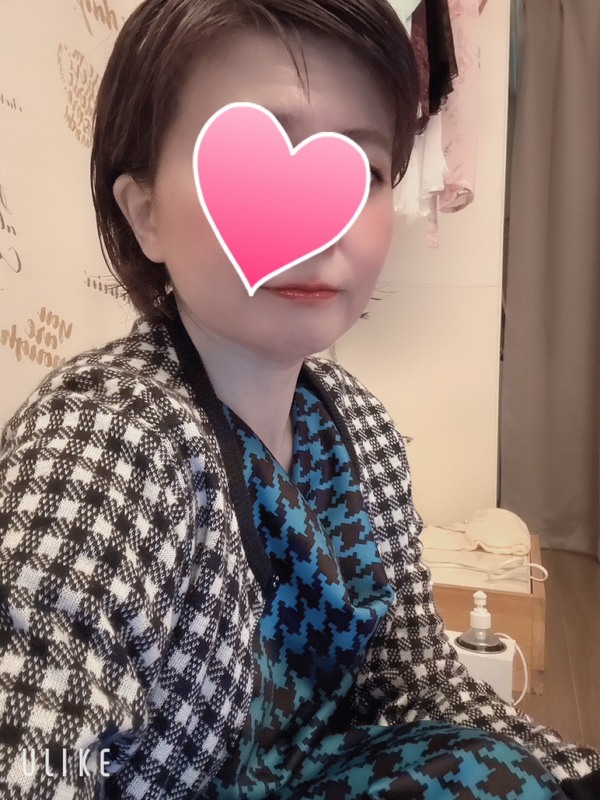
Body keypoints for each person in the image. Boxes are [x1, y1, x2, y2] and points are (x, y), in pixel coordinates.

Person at [0, 1, 598, 798]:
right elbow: (32, 758)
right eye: (256, 168)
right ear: (145, 215)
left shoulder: (358, 426)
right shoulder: (104, 443)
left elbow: (417, 682)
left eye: (364, 172)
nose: (320, 226)